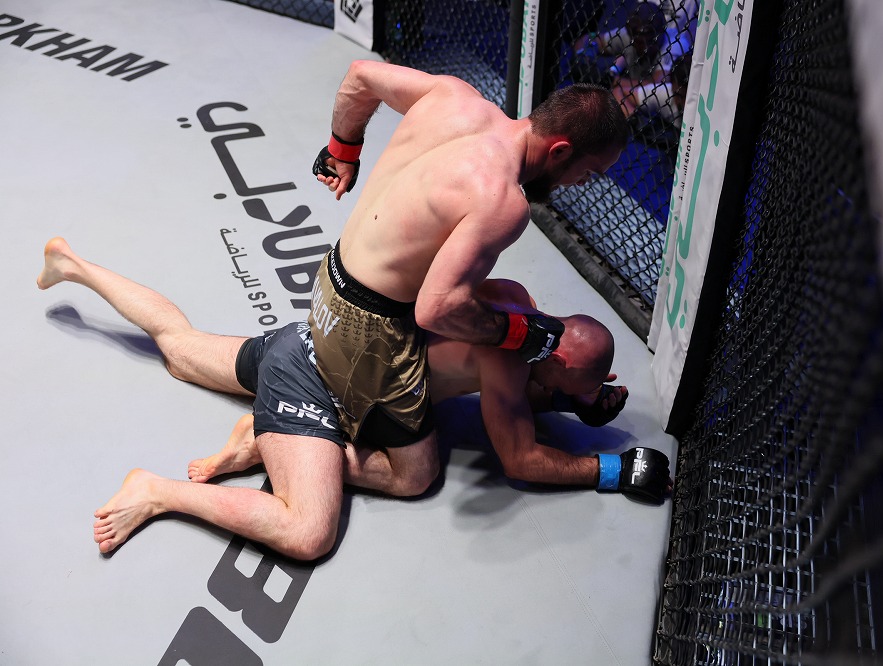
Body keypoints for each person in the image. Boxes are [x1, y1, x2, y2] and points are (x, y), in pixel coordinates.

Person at [37, 238, 671, 559]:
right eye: (589, 383)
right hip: (312, 384)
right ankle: (161, 489)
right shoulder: (511, 359)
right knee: (311, 529)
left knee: (180, 347)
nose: (595, 394)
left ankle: (74, 265)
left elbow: (527, 386)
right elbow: (521, 458)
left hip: (316, 339)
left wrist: (575, 400)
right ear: (556, 361)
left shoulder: (514, 302)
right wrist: (610, 469)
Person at [306, 60, 630, 502]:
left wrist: (342, 150)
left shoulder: (455, 96)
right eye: (587, 174)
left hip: (328, 280)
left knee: (507, 298)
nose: (579, 184)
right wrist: (519, 335)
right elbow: (436, 309)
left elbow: (359, 76)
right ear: (559, 151)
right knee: (417, 474)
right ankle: (304, 444)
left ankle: (563, 387)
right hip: (362, 333)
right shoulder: (504, 200)